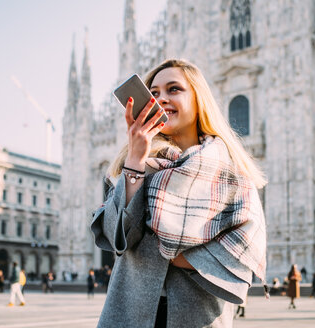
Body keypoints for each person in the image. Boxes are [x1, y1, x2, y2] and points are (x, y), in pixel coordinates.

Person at [91, 59, 267, 328]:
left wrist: (157, 248)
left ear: (199, 100)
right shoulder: (136, 165)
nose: (161, 99)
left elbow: (239, 254)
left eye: (174, 89)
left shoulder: (231, 174)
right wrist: (136, 159)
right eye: (154, 93)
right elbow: (118, 237)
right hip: (129, 317)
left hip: (198, 319)